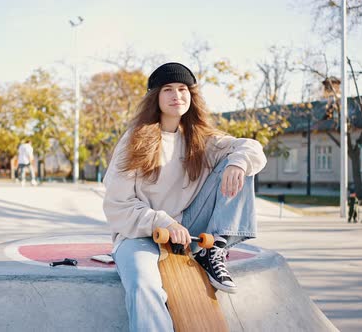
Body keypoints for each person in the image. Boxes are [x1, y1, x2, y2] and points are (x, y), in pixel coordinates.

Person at [102, 62, 267, 331]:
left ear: (191, 96)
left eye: (182, 89)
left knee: (239, 161)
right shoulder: (135, 139)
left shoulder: (201, 138)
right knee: (143, 285)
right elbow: (117, 205)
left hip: (189, 227)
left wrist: (238, 162)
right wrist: (163, 222)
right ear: (155, 97)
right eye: (167, 89)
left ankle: (215, 248)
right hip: (139, 234)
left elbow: (252, 148)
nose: (176, 95)